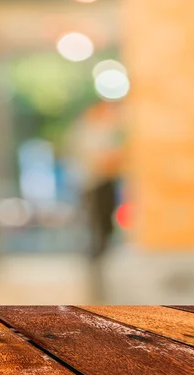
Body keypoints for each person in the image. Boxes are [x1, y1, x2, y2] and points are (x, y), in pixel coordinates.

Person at [66, 101, 124, 302]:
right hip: (95, 185)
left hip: (101, 184)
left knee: (103, 230)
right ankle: (98, 279)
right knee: (99, 231)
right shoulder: (90, 132)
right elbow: (99, 161)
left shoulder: (99, 131)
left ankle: (101, 276)